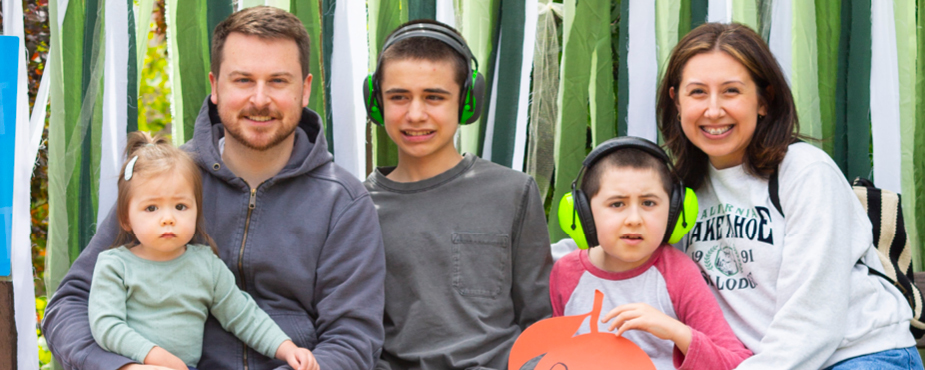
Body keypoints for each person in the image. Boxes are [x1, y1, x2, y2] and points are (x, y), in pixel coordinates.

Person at [43, 6, 385, 370]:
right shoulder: (165, 182)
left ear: (305, 90)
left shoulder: (342, 201)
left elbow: (352, 339)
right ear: (215, 87)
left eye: (278, 81)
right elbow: (70, 303)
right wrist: (123, 367)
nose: (259, 99)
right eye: (242, 80)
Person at [658, 23, 920, 369]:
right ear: (677, 102)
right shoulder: (678, 189)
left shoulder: (805, 172)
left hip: (857, 355)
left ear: (764, 101)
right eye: (697, 93)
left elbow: (813, 320)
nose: (714, 109)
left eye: (731, 91)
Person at [362, 20, 553, 370]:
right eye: (398, 97)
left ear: (467, 101)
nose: (415, 114)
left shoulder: (514, 192)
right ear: (376, 103)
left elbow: (539, 321)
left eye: (434, 97)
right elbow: (355, 332)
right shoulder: (356, 208)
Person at [88, 132, 318, 370]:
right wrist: (153, 357)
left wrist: (287, 348)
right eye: (151, 208)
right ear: (126, 219)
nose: (168, 218)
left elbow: (243, 315)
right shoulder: (115, 265)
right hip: (132, 365)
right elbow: (106, 324)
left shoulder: (206, 265)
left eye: (180, 206)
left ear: (197, 210)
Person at [549, 136, 752, 370]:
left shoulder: (678, 272)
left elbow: (737, 362)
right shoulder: (564, 273)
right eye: (617, 204)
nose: (634, 219)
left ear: (676, 212)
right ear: (583, 213)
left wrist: (677, 332)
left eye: (649, 203)